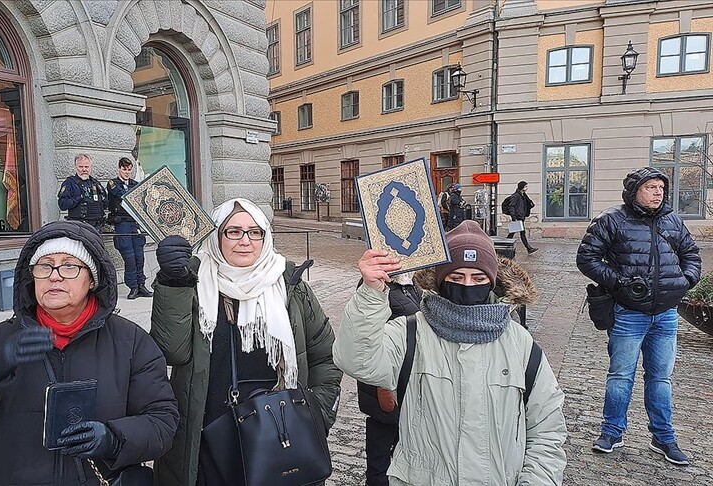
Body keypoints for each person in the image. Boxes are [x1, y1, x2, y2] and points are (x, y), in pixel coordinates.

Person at [0, 220, 179, 485]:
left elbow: (163, 422)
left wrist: (113, 439)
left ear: (91, 280)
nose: (55, 275)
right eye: (45, 266)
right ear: (32, 278)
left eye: (69, 266)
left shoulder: (131, 342)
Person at [335, 220, 567, 485]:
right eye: (457, 278)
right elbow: (356, 360)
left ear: (491, 283)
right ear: (442, 279)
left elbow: (546, 429)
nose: (467, 286)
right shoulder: (411, 332)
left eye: (478, 278)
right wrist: (371, 292)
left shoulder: (520, 344)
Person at [150, 198, 343, 486]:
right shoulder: (194, 284)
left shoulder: (290, 286)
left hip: (281, 434)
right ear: (217, 236)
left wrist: (316, 415)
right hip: (209, 438)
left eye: (255, 232)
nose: (245, 241)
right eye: (234, 231)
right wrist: (172, 283)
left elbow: (326, 357)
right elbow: (171, 352)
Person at [576, 167, 701, 465]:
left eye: (661, 187)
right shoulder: (612, 220)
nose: (658, 192)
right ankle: (612, 431)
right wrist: (618, 281)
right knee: (620, 376)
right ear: (634, 191)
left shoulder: (673, 221)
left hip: (666, 315)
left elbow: (692, 256)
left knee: (661, 378)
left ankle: (664, 437)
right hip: (628, 315)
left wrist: (685, 280)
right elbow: (587, 258)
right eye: (651, 187)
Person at [356, 273, 421, 486]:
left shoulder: (411, 284)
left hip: (408, 383)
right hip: (384, 386)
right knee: (380, 457)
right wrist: (383, 387)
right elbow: (367, 336)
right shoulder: (378, 285)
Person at [108, 157, 152, 300]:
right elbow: (124, 196)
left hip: (135, 223)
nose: (127, 172)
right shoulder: (113, 184)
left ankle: (141, 285)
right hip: (122, 224)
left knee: (140, 257)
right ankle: (133, 287)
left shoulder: (135, 184)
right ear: (119, 169)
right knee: (129, 257)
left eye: (129, 169)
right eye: (124, 169)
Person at [58, 154, 108, 232]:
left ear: (90, 167)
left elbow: (105, 203)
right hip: (79, 227)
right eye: (81, 167)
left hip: (97, 227)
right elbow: (62, 204)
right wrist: (77, 198)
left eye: (86, 167)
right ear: (75, 167)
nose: (84, 170)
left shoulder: (95, 183)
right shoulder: (70, 183)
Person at [507, 181, 539, 254]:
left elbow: (528, 204)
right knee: (522, 233)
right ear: (522, 187)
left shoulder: (523, 195)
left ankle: (506, 245)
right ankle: (528, 248)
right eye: (526, 186)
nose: (527, 188)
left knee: (512, 233)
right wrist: (514, 217)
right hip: (517, 217)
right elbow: (511, 207)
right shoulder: (515, 196)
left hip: (521, 217)